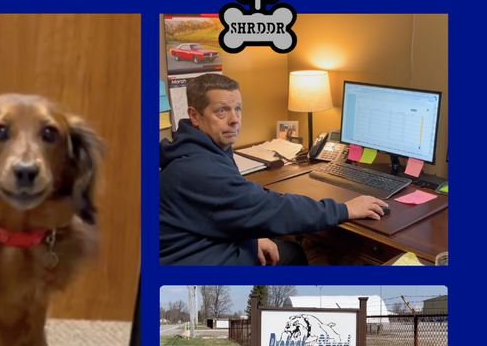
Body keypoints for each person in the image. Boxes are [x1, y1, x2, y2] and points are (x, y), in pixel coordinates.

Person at [160, 73, 386, 266]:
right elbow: (274, 209)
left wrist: (252, 236)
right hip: (192, 263)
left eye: (237, 109)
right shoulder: (199, 169)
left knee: (283, 246)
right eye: (222, 111)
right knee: (292, 254)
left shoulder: (194, 148)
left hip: (201, 240)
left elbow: (225, 209)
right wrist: (345, 209)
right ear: (194, 116)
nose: (234, 120)